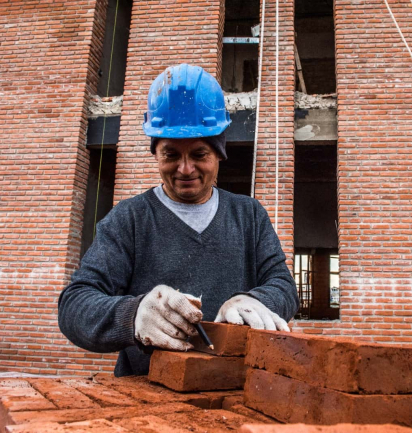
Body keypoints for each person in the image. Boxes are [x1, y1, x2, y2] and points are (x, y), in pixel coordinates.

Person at [58, 64, 299, 376]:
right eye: (171, 155)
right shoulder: (129, 220)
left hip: (236, 393)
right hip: (146, 399)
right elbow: (74, 304)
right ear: (156, 154)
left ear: (219, 154)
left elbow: (283, 287)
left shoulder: (249, 216)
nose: (185, 169)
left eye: (199, 154)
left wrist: (252, 300)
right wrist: (132, 317)